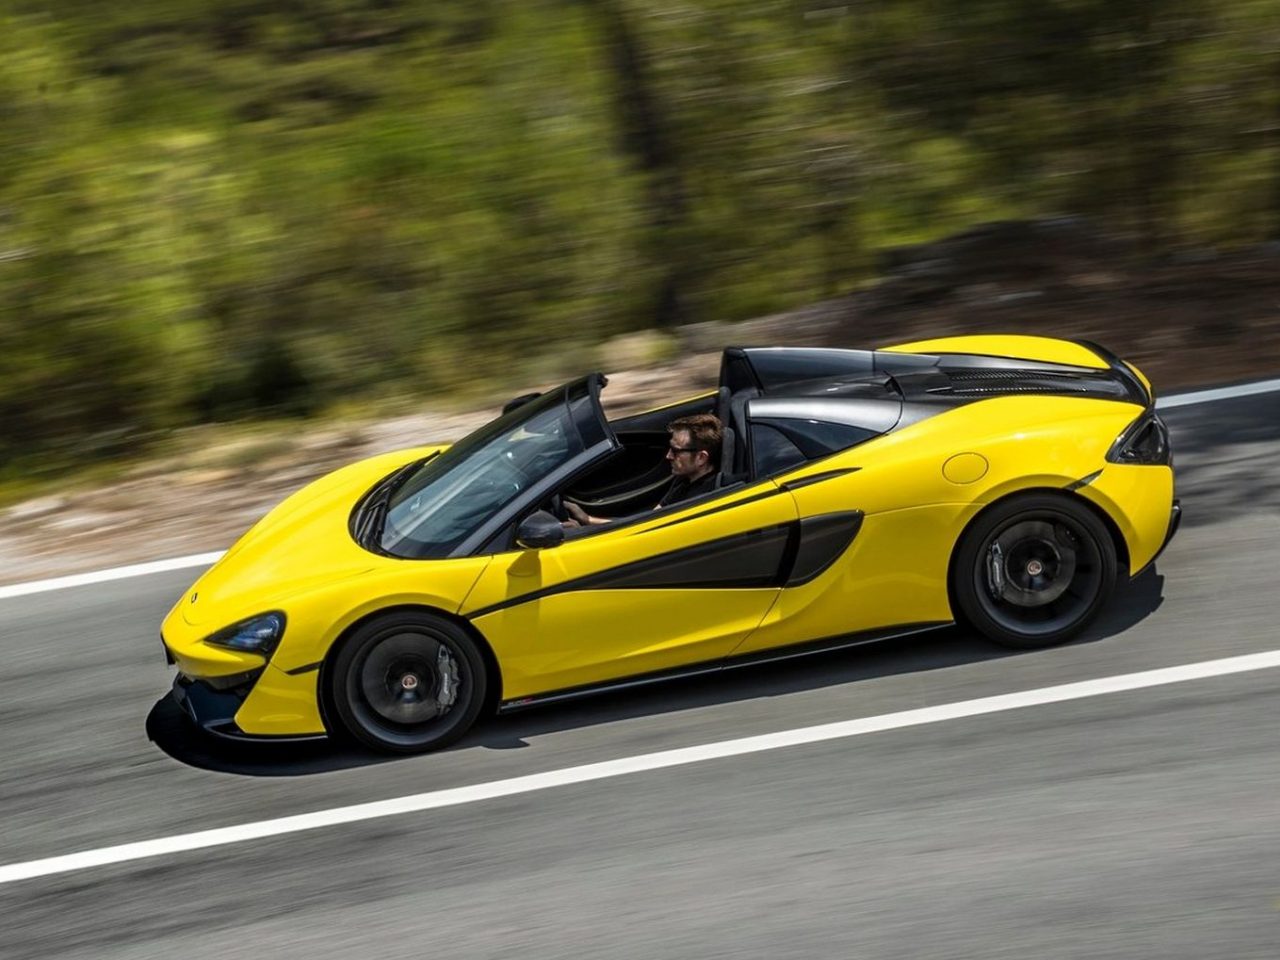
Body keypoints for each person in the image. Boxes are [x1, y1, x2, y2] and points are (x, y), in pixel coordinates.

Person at [565, 413, 723, 527]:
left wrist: (583, 530)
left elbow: (646, 529)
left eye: (676, 451)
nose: (668, 456)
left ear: (701, 458)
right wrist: (587, 519)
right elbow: (648, 520)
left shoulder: (698, 503)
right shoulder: (685, 480)